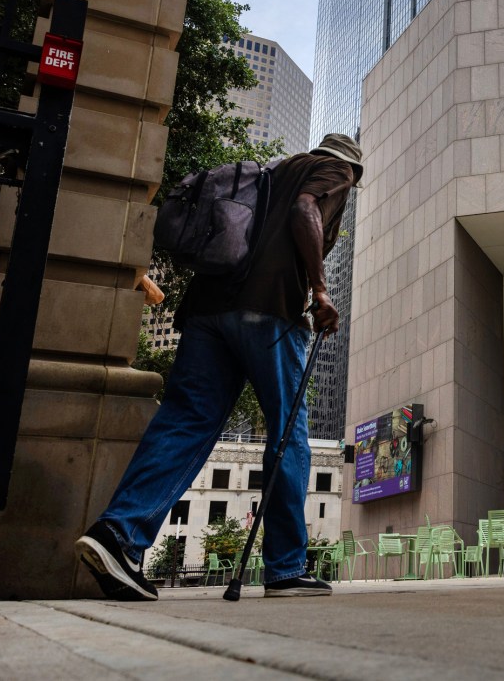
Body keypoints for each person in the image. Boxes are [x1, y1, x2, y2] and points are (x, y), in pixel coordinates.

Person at [74, 133, 363, 600]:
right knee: (287, 433)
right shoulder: (334, 171)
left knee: (185, 421)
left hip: (208, 309)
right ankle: (286, 569)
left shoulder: (271, 171)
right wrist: (321, 290)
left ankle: (118, 535)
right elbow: (305, 210)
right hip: (270, 310)